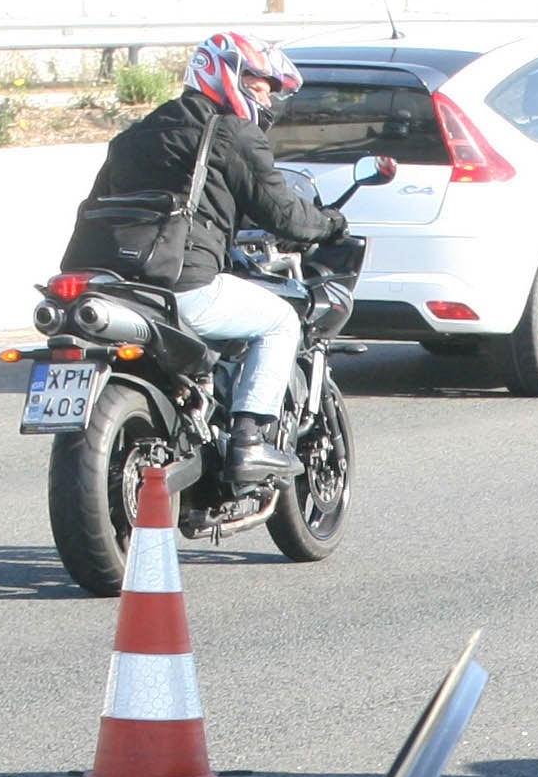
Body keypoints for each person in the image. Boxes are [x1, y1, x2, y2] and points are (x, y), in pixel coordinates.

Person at [63, 30, 345, 484]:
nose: (265, 96)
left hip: (115, 281)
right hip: (180, 282)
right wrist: (331, 223)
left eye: (270, 88)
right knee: (280, 322)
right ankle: (250, 441)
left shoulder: (135, 134)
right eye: (256, 82)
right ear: (223, 73)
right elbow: (285, 215)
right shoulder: (233, 133)